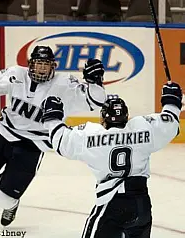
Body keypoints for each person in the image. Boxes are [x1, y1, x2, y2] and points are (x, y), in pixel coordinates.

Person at [0, 46, 107, 231]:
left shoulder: (65, 84)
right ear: (30, 65)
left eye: (46, 65)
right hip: (3, 132)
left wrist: (96, 83)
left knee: (4, 197)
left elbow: (95, 101)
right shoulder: (15, 74)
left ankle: (11, 205)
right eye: (38, 64)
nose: (42, 69)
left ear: (53, 66)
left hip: (35, 143)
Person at [41, 82, 182, 238]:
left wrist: (52, 117)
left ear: (103, 118)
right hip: (141, 204)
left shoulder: (91, 135)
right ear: (126, 116)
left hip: (112, 204)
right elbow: (170, 125)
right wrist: (171, 101)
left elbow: (60, 142)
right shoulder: (143, 127)